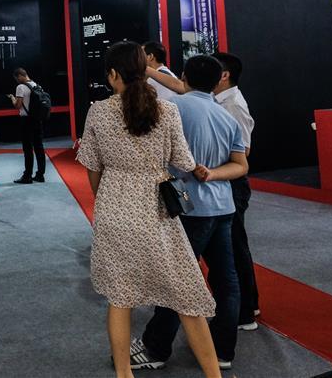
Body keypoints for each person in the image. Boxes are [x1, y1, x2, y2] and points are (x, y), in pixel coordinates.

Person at [76, 42, 222, 378]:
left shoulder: (98, 112)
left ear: (113, 74)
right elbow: (183, 161)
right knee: (187, 295)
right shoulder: (166, 111)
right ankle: (214, 375)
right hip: (155, 212)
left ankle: (123, 374)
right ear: (145, 71)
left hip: (113, 209)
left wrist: (104, 199)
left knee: (120, 297)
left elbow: (92, 167)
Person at [134, 55, 248, 372]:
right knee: (226, 280)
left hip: (187, 207)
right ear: (217, 81)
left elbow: (153, 154)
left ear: (184, 77)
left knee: (176, 279)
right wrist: (212, 174)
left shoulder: (172, 108)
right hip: (223, 207)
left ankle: (155, 348)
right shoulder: (225, 116)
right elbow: (241, 165)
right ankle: (223, 350)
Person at [213, 51, 260, 331]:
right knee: (232, 245)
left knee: (234, 246)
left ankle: (245, 311)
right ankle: (247, 304)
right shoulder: (219, 100)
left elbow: (244, 151)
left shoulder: (233, 104)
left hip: (233, 183)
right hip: (225, 182)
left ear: (224, 75)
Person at [8, 67, 46, 184]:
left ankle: (27, 176)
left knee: (28, 149)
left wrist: (13, 98)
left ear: (20, 75)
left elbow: (18, 106)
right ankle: (40, 175)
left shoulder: (20, 87)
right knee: (39, 147)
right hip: (37, 119)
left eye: (16, 78)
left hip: (26, 121)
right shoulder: (36, 85)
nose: (17, 81)